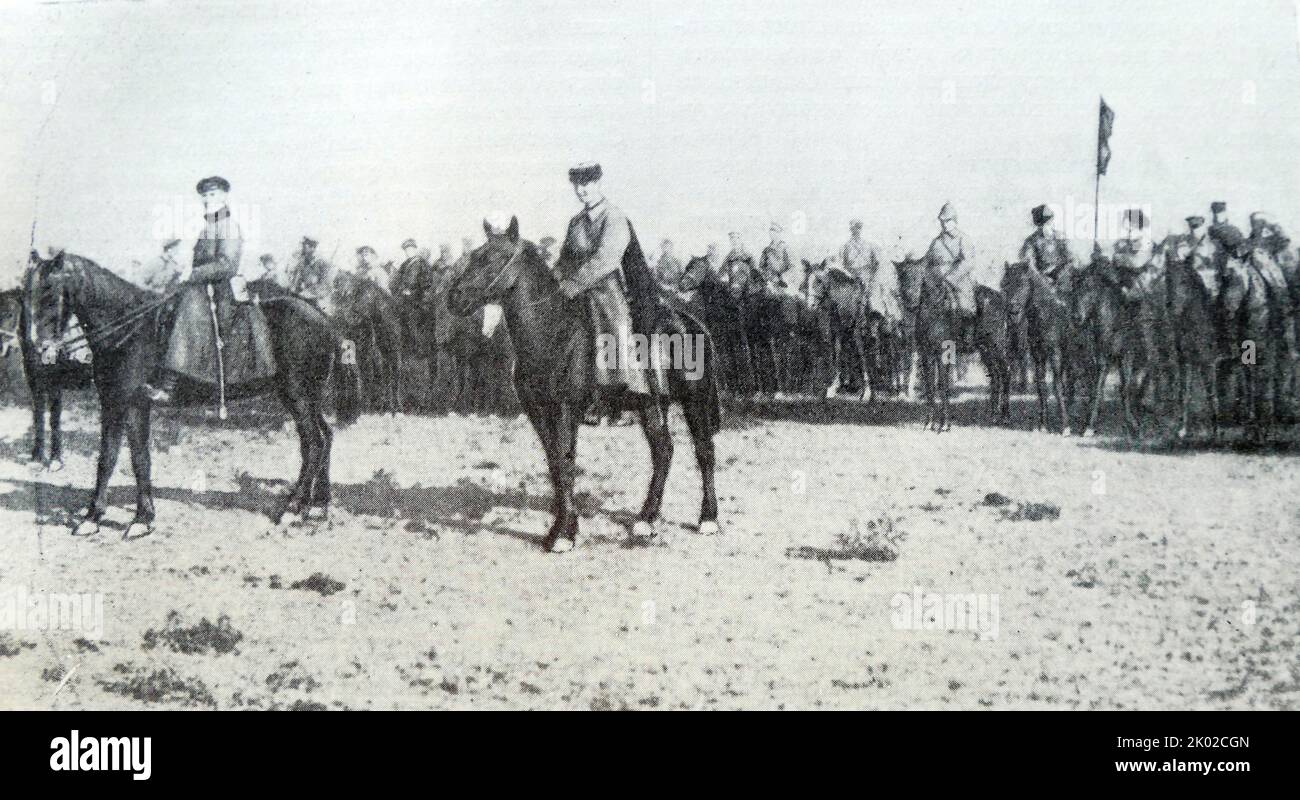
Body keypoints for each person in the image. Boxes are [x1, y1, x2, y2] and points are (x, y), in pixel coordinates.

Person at [148, 176, 265, 402]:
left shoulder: (228, 226)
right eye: (204, 195)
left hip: (222, 292)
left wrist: (192, 275)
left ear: (223, 196)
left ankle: (169, 385)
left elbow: (227, 265)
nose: (207, 199)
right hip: (204, 287)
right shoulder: (209, 227)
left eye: (212, 195)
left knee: (188, 307)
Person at [553, 161, 663, 403]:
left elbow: (606, 259)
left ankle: (630, 391)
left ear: (598, 183)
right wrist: (552, 284)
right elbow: (564, 260)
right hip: (578, 292)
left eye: (587, 183)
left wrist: (571, 285)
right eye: (577, 184)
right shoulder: (576, 222)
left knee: (615, 327)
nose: (582, 189)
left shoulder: (614, 216)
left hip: (609, 291)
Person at [925, 202, 978, 321]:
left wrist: (950, 278)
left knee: (964, 310)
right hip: (937, 285)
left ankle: (966, 336)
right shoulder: (936, 242)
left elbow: (968, 262)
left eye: (947, 220)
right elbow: (928, 263)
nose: (944, 224)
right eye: (942, 221)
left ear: (954, 221)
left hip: (958, 283)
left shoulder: (963, 239)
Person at [288, 236, 334, 303]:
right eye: (303, 244)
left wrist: (308, 293)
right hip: (305, 297)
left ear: (313, 247)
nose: (302, 247)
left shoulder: (323, 263)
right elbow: (296, 282)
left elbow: (326, 286)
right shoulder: (302, 261)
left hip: (321, 301)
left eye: (305, 245)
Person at [759, 223, 792, 288]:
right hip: (770, 283)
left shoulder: (786, 248)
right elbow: (761, 267)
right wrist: (769, 277)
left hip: (785, 282)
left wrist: (783, 277)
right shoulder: (766, 250)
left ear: (779, 233)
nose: (772, 234)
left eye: (775, 232)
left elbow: (792, 266)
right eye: (771, 232)